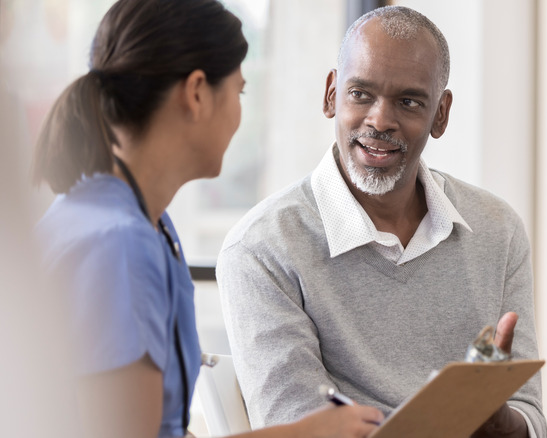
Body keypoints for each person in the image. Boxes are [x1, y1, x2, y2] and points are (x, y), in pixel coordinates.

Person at [32, 1, 383, 438]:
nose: (239, 113)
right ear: (197, 92)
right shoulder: (119, 247)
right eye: (239, 91)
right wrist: (306, 434)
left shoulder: (137, 223)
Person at [217, 5, 546, 437]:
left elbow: (532, 419)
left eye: (408, 102)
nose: (380, 120)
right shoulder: (263, 248)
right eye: (361, 94)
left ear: (441, 114)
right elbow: (296, 428)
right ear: (332, 94)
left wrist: (493, 418)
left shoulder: (496, 229)